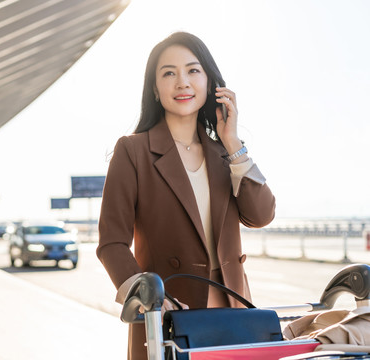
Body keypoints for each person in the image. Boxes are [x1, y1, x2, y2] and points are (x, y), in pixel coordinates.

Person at [96, 32, 276, 359]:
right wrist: (146, 295)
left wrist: (233, 143)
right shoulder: (133, 151)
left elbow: (261, 215)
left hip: (234, 317)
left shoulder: (226, 155)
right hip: (167, 319)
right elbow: (111, 242)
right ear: (154, 88)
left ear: (210, 83)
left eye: (193, 71)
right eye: (169, 73)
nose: (182, 82)